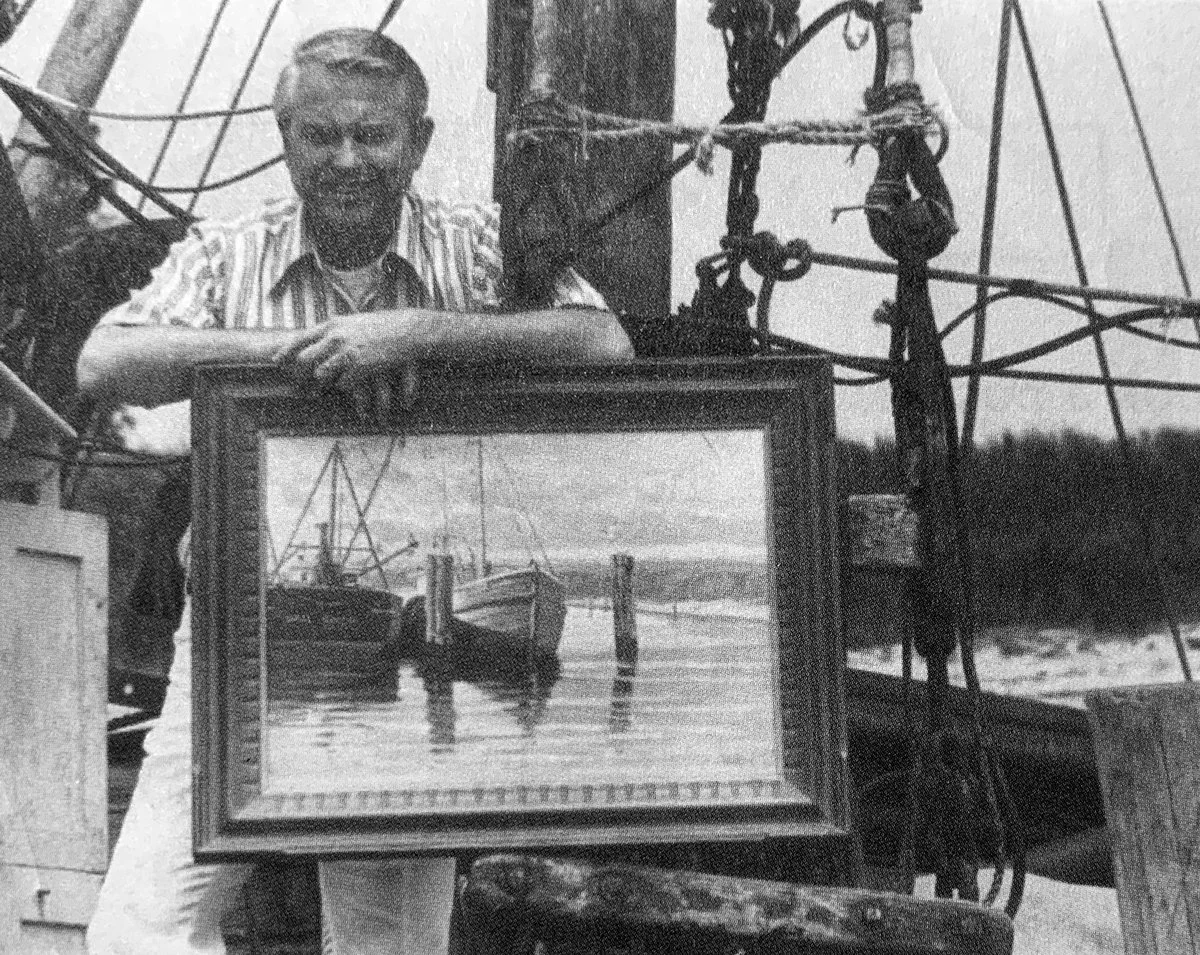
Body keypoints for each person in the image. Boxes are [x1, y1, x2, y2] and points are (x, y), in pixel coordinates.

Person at [79, 27, 631, 955]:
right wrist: (298, 357)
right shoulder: (232, 249)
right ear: (285, 137)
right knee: (140, 929)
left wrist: (419, 333)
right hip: (241, 638)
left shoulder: (476, 246)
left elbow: (603, 343)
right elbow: (104, 362)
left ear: (418, 141)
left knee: (389, 944)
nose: (346, 159)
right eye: (320, 134)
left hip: (403, 642)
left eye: (372, 136)